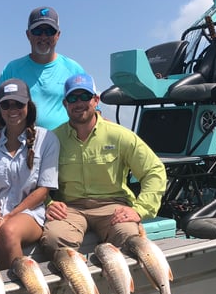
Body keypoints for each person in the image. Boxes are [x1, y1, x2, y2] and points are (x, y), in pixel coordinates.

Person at [41, 73, 167, 255]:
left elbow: (154, 170)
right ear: (65, 103)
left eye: (85, 96)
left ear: (96, 100)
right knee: (53, 240)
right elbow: (33, 178)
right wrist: (48, 203)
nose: (79, 103)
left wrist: (140, 210)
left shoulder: (119, 135)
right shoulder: (53, 139)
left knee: (130, 238)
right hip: (70, 208)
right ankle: (79, 283)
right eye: (72, 97)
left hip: (113, 207)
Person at [0, 6, 84, 172]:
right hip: (22, 142)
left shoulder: (74, 68)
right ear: (28, 35)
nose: (43, 36)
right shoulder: (12, 68)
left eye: (49, 31)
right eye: (37, 31)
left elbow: (94, 109)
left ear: (58, 35)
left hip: (63, 143)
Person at [0, 78, 60, 271]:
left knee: (8, 232)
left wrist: (10, 217)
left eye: (18, 104)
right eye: (6, 105)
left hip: (28, 213)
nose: (12, 110)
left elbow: (43, 190)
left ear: (28, 106)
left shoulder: (47, 139)